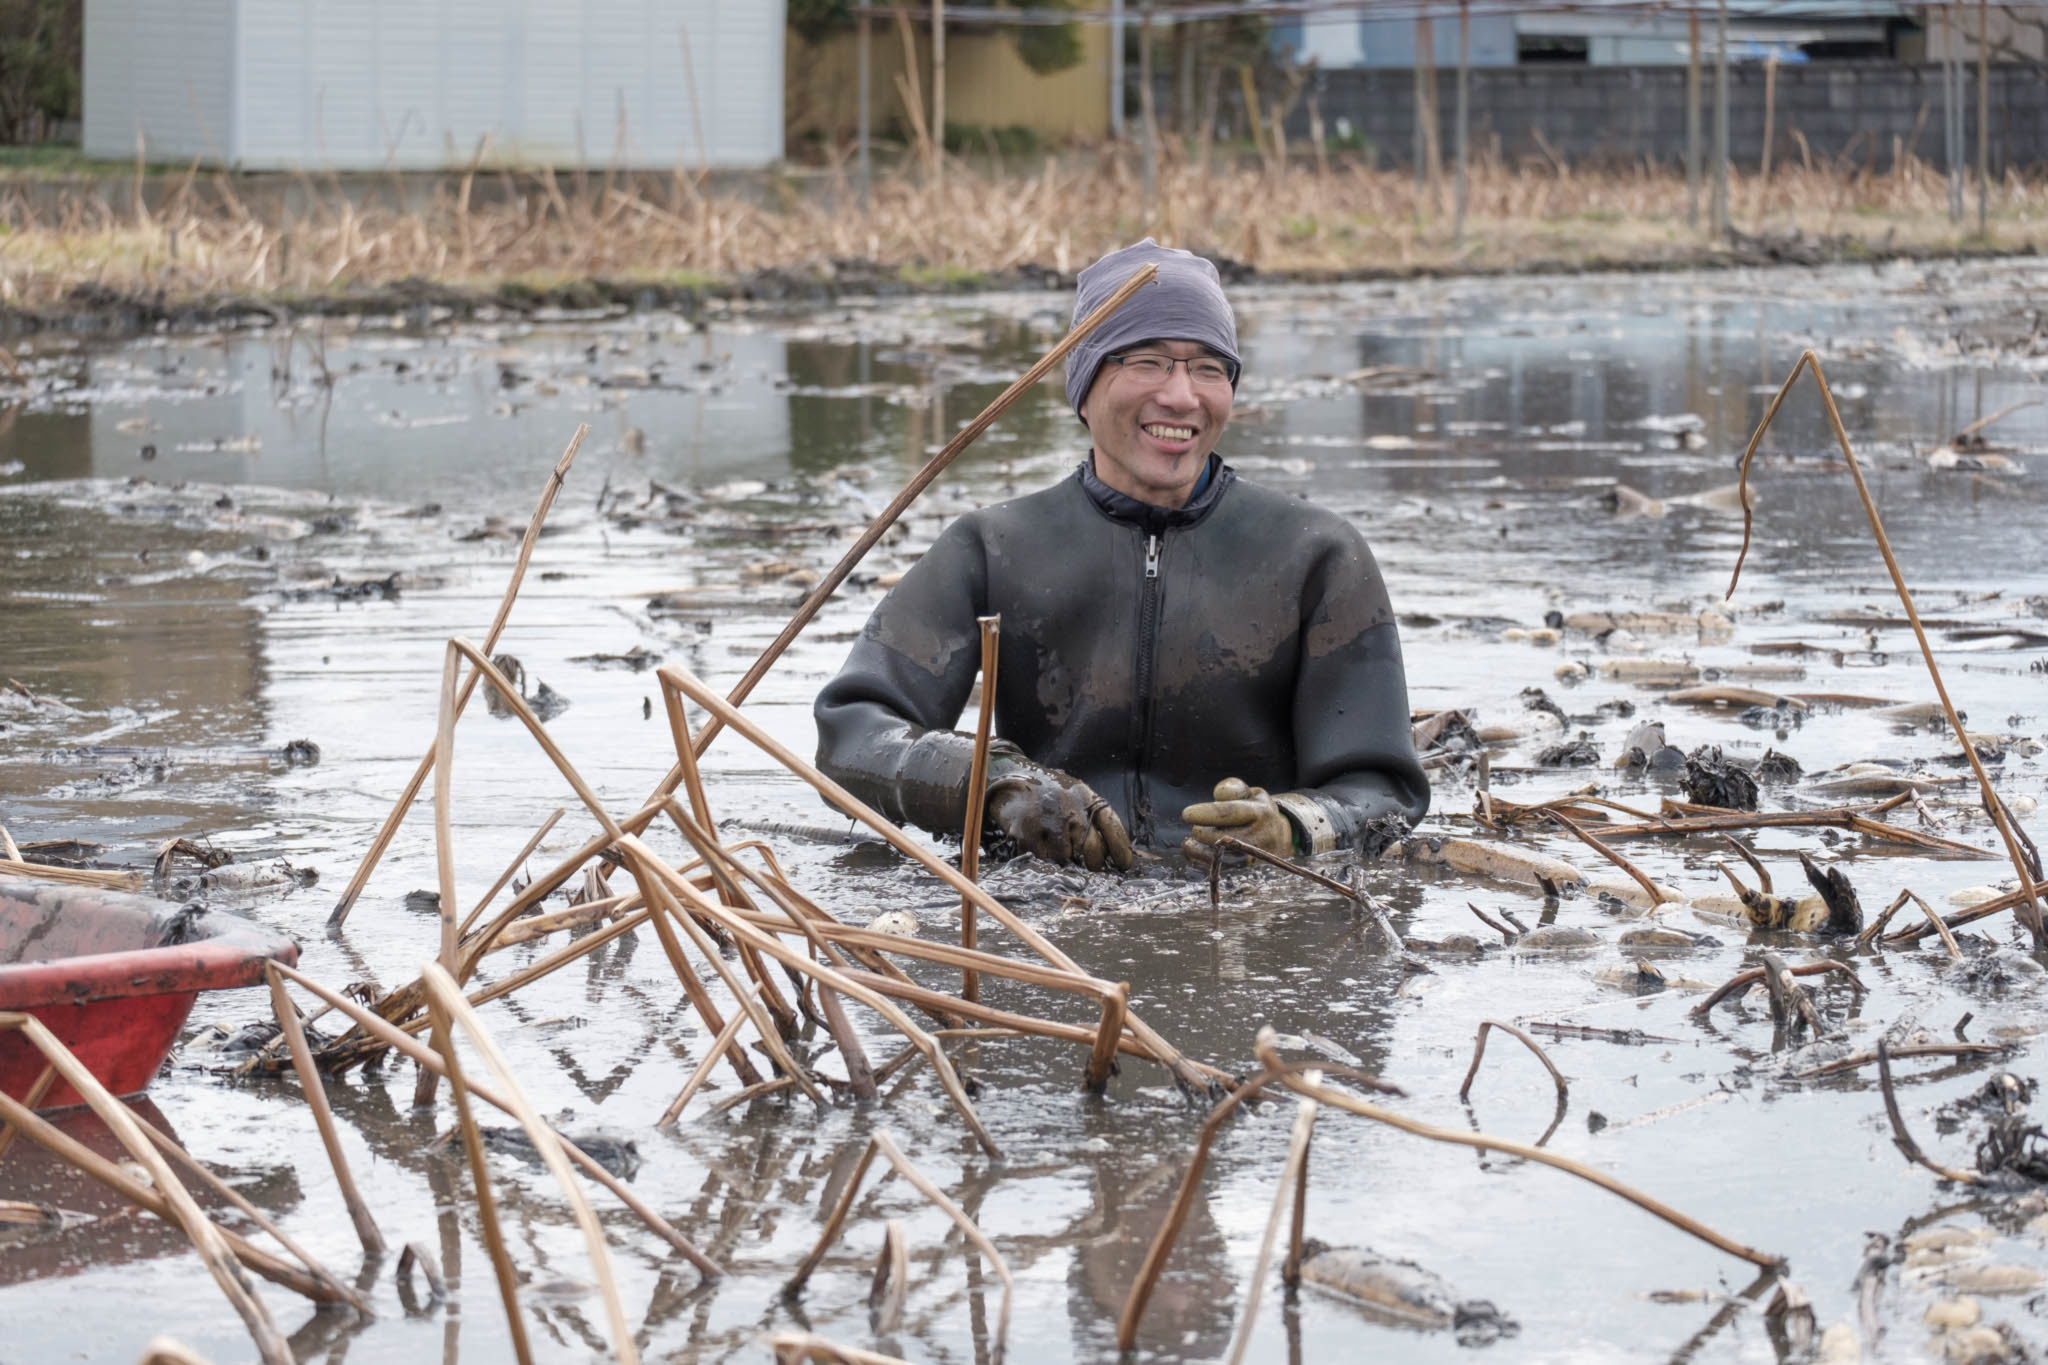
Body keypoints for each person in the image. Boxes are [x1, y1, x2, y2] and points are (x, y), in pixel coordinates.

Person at [814, 239, 1428, 869]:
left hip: (1243, 906)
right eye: (1149, 362)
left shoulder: (1318, 556)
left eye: (1209, 368)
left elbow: (1384, 791)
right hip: (1046, 899)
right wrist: (995, 785)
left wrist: (1293, 828)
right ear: (1084, 384)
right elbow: (853, 733)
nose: (1183, 396)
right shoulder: (991, 547)